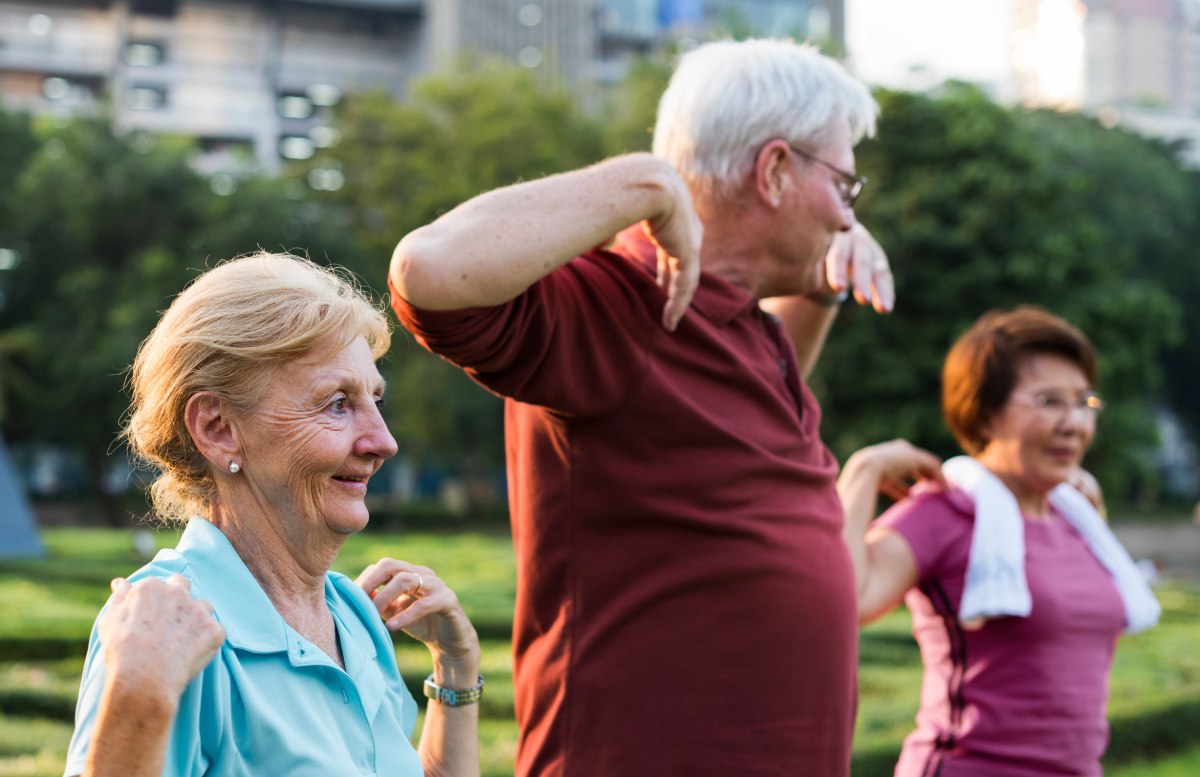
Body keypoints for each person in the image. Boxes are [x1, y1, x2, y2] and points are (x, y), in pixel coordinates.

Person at [389, 39, 895, 777]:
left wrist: (819, 285)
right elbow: (426, 271)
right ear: (777, 170)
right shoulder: (620, 300)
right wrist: (648, 182)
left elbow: (726, 439)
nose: (849, 218)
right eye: (844, 187)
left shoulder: (743, 323)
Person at [64, 253, 482, 777]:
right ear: (217, 428)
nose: (384, 442)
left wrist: (456, 672)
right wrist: (136, 702)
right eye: (337, 403)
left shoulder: (352, 614)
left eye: (375, 399)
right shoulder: (171, 625)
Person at [838, 307, 1160, 777]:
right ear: (986, 416)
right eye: (1049, 401)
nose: (1074, 423)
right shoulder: (945, 511)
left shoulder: (1078, 516)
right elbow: (846, 601)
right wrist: (863, 473)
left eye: (1084, 402)